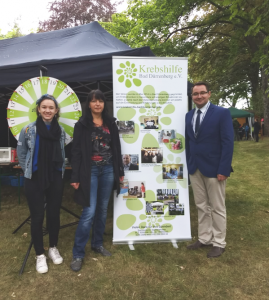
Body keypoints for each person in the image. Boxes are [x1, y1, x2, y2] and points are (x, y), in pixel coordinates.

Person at [70, 89, 124, 272]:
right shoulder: (82, 124)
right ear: (89, 104)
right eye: (94, 101)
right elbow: (75, 152)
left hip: (109, 169)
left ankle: (97, 244)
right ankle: (78, 253)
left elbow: (116, 148)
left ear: (104, 103)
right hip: (90, 171)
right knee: (89, 211)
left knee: (102, 210)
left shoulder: (111, 123)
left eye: (100, 100)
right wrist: (75, 176)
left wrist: (120, 171)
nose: (97, 104)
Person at [17, 94, 66, 273]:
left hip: (54, 177)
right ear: (39, 109)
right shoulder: (28, 130)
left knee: (53, 214)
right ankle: (39, 254)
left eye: (51, 107)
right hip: (35, 178)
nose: (47, 110)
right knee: (37, 216)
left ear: (56, 110)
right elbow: (21, 153)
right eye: (44, 107)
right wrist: (29, 170)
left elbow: (62, 154)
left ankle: (53, 247)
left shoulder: (60, 131)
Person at [185, 81, 233, 258]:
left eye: (202, 93)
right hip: (195, 168)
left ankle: (219, 242)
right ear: (192, 96)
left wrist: (224, 169)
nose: (199, 96)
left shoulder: (221, 113)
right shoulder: (188, 115)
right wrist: (190, 164)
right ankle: (204, 238)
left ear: (209, 94)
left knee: (217, 207)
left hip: (215, 169)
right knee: (201, 206)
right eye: (195, 94)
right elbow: (190, 142)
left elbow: (227, 143)